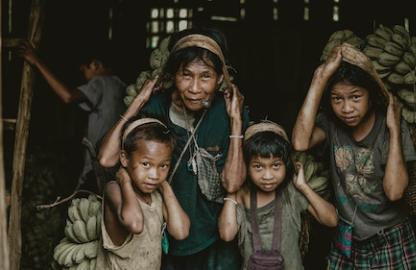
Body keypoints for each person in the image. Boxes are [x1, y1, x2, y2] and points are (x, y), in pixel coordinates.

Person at [98, 28, 249, 269]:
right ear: (173, 74)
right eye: (186, 75)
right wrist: (139, 101)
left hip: (215, 237)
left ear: (220, 79)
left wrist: (236, 122)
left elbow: (232, 184)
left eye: (206, 77)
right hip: (165, 235)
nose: (195, 88)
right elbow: (107, 159)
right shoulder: (158, 106)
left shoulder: (227, 112)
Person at [292, 44, 416, 269]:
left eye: (355, 97)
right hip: (347, 238)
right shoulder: (331, 125)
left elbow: (395, 191)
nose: (346, 108)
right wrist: (319, 78)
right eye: (337, 99)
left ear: (371, 96)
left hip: (390, 238)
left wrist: (393, 128)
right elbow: (300, 142)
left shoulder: (389, 127)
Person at [218, 121, 337, 270]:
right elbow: (227, 234)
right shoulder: (242, 195)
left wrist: (303, 187)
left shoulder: (291, 193)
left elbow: (331, 220)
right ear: (247, 167)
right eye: (258, 166)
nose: (268, 176)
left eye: (275, 165)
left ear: (286, 165)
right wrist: (232, 189)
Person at [18, 42, 126, 189]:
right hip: (115, 166)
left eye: (84, 71)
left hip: (98, 169)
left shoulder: (100, 82)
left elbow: (67, 96)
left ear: (95, 64)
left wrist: (36, 61)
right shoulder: (121, 86)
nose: (85, 78)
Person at [96, 117, 190, 269]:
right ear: (125, 158)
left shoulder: (157, 197)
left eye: (163, 166)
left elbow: (181, 232)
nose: (154, 174)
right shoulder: (114, 189)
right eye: (146, 164)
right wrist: (125, 182)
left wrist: (165, 187)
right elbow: (135, 224)